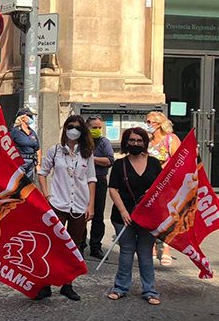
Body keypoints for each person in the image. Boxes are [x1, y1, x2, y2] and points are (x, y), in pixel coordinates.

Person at [36, 114, 96, 301]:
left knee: (74, 246)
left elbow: (91, 179)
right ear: (65, 128)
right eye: (71, 126)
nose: (74, 130)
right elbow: (42, 172)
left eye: (78, 127)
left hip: (79, 204)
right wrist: (46, 195)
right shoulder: (55, 151)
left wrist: (91, 204)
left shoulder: (86, 153)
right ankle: (46, 284)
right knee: (53, 244)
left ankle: (67, 284)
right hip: (58, 203)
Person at [108, 127, 162, 305]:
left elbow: (162, 188)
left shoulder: (154, 163)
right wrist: (123, 211)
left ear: (145, 143)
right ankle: (120, 287)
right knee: (126, 251)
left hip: (148, 217)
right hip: (123, 216)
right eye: (132, 140)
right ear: (126, 142)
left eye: (139, 141)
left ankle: (150, 290)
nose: (136, 144)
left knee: (145, 252)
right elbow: (113, 189)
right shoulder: (119, 164)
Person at [146, 110, 180, 266]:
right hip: (150, 182)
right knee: (151, 214)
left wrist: (161, 168)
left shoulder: (170, 139)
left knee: (166, 215)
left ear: (159, 124)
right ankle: (151, 245)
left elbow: (178, 160)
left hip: (167, 183)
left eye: (149, 122)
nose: (147, 125)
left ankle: (166, 248)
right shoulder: (147, 140)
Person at [85, 116, 115, 258]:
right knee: (80, 213)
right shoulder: (82, 142)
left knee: (98, 214)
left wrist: (92, 159)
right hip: (82, 181)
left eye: (99, 127)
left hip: (99, 180)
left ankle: (96, 246)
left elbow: (109, 160)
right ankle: (79, 245)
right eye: (94, 127)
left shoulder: (104, 142)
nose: (97, 130)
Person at [10, 107, 41, 180]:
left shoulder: (32, 132)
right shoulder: (15, 132)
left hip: (31, 164)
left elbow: (38, 149)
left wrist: (38, 164)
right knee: (19, 185)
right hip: (19, 163)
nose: (32, 118)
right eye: (29, 116)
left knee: (29, 187)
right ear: (23, 118)